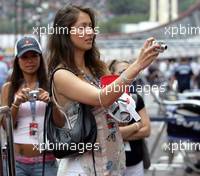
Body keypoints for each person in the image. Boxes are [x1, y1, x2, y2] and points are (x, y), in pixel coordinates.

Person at [47, 4, 160, 176]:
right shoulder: (61, 74)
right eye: (82, 27)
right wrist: (137, 65)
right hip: (82, 166)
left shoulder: (98, 68)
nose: (90, 32)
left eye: (91, 26)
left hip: (112, 160)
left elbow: (117, 112)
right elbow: (101, 98)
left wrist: (125, 107)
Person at [0, 36, 58, 176]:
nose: (30, 61)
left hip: (46, 160)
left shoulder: (51, 84)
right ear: (17, 60)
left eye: (34, 56)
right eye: (24, 57)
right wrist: (16, 104)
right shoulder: (9, 87)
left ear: (40, 58)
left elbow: (61, 122)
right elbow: (6, 126)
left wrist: (51, 103)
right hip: (16, 163)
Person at [109, 60, 151, 176]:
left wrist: (121, 135)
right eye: (122, 72)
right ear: (111, 74)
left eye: (130, 71)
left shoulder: (136, 99)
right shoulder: (107, 101)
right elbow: (112, 134)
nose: (128, 75)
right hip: (113, 165)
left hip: (135, 163)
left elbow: (147, 130)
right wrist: (137, 125)